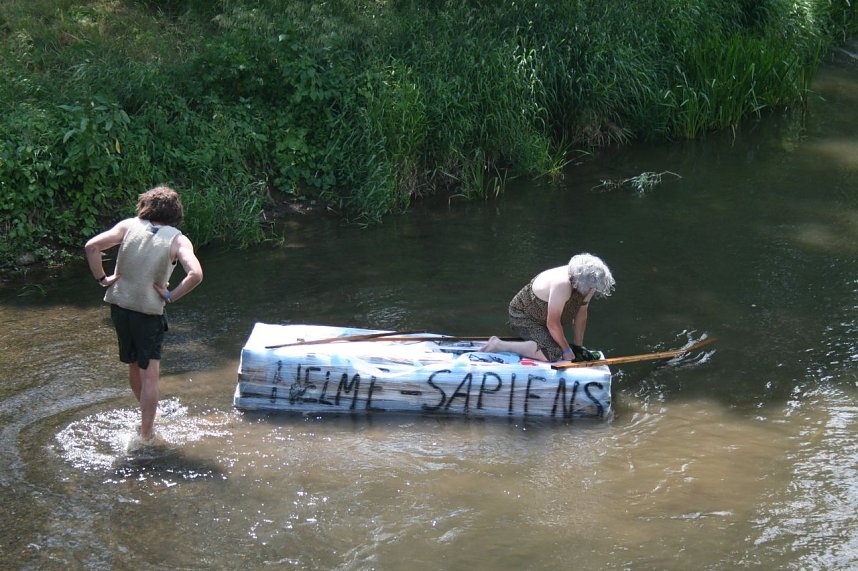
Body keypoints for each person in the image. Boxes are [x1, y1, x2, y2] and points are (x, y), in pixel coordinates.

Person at [84, 186, 203, 442]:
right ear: (176, 212)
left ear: (145, 206)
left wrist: (103, 279)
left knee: (134, 365)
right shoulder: (178, 239)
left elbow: (91, 247)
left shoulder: (129, 226)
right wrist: (171, 295)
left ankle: (148, 417)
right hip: (148, 313)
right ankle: (147, 434)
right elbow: (196, 274)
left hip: (120, 307)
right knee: (151, 374)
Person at [481, 253, 614, 362]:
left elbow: (581, 313)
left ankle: (546, 342)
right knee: (552, 353)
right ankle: (498, 345)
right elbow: (553, 323)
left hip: (544, 318)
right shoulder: (561, 284)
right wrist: (566, 350)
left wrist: (578, 348)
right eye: (591, 287)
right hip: (524, 315)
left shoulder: (587, 282)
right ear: (581, 281)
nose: (592, 290)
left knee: (561, 348)